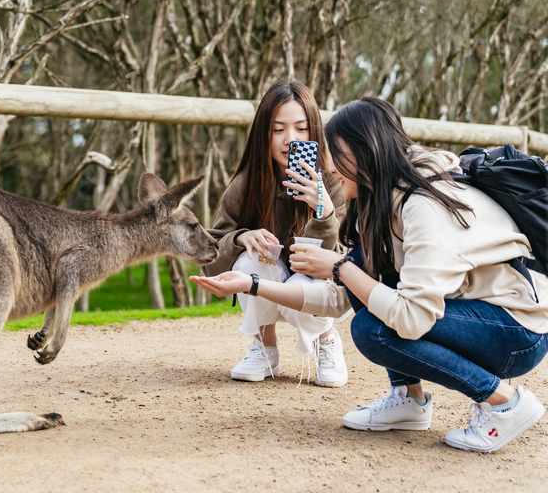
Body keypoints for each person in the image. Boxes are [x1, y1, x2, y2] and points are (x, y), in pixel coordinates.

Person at [192, 96, 548, 453]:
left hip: (518, 329)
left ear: (365, 152)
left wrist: (339, 266)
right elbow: (338, 299)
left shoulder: (423, 206)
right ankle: (409, 399)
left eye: (336, 155)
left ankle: (505, 402)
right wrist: (252, 284)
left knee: (373, 329)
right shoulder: (374, 200)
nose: (329, 168)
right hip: (476, 311)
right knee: (371, 301)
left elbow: (412, 317)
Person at [203, 79, 349, 386]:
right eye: (278, 129)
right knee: (254, 259)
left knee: (308, 275)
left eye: (301, 129)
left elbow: (337, 265)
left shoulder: (335, 183)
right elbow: (211, 259)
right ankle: (264, 347)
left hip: (313, 285)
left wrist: (323, 211)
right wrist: (241, 237)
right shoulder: (246, 184)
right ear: (263, 134)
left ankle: (327, 341)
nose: (289, 140)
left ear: (315, 132)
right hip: (268, 277)